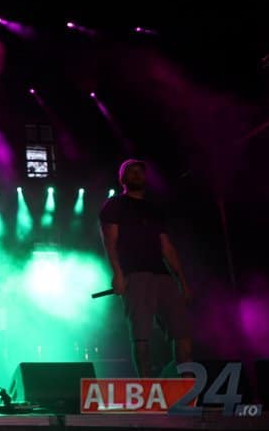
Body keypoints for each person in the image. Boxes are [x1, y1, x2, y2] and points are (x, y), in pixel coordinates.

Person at [99, 159, 193, 378]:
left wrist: (183, 281)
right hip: (135, 275)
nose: (136, 174)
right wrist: (117, 274)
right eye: (131, 171)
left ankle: (187, 389)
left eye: (140, 171)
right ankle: (146, 388)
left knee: (182, 334)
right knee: (141, 336)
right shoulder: (114, 204)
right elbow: (110, 242)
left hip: (163, 275)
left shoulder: (153, 208)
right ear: (122, 179)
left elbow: (166, 246)